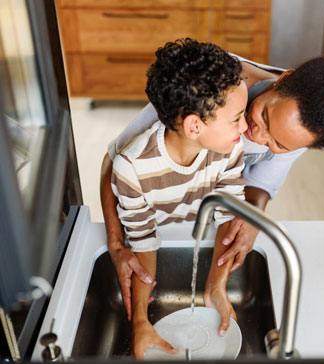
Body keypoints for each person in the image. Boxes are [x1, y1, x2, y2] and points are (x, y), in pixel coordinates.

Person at [100, 43, 324, 325]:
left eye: (278, 144)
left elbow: (257, 189)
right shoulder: (210, 85)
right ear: (283, 79)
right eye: (263, 116)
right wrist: (115, 246)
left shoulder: (303, 128)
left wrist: (253, 218)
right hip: (148, 205)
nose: (255, 135)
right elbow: (115, 163)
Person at [110, 38, 248, 358]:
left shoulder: (230, 149)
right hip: (160, 235)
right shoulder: (132, 167)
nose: (245, 126)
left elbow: (229, 218)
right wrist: (141, 322)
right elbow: (143, 244)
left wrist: (216, 285)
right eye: (236, 118)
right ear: (194, 125)